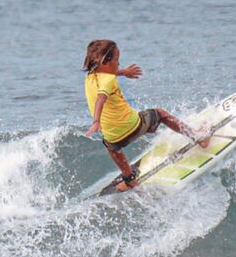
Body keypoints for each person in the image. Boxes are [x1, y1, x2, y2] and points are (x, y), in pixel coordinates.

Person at [83, 39, 209, 191]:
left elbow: (108, 74)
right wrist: (96, 121)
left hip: (113, 136)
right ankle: (198, 137)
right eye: (117, 60)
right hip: (132, 126)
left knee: (112, 146)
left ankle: (129, 178)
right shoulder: (108, 80)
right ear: (105, 61)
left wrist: (124, 73)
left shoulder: (91, 76)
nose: (119, 64)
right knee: (160, 114)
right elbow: (101, 99)